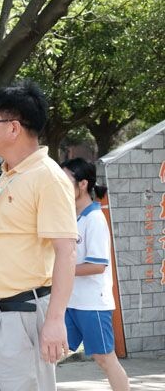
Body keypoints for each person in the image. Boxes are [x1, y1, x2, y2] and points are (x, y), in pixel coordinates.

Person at [0, 80, 78, 390]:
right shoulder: (9, 175)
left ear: (13, 127)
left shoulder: (47, 177)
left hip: (21, 316)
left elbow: (66, 251)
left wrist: (55, 320)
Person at [61, 158, 130, 391]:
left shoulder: (95, 219)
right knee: (49, 352)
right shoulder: (70, 217)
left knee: (105, 359)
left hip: (93, 305)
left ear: (82, 184)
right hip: (69, 301)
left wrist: (59, 271)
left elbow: (97, 266)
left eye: (64, 181)